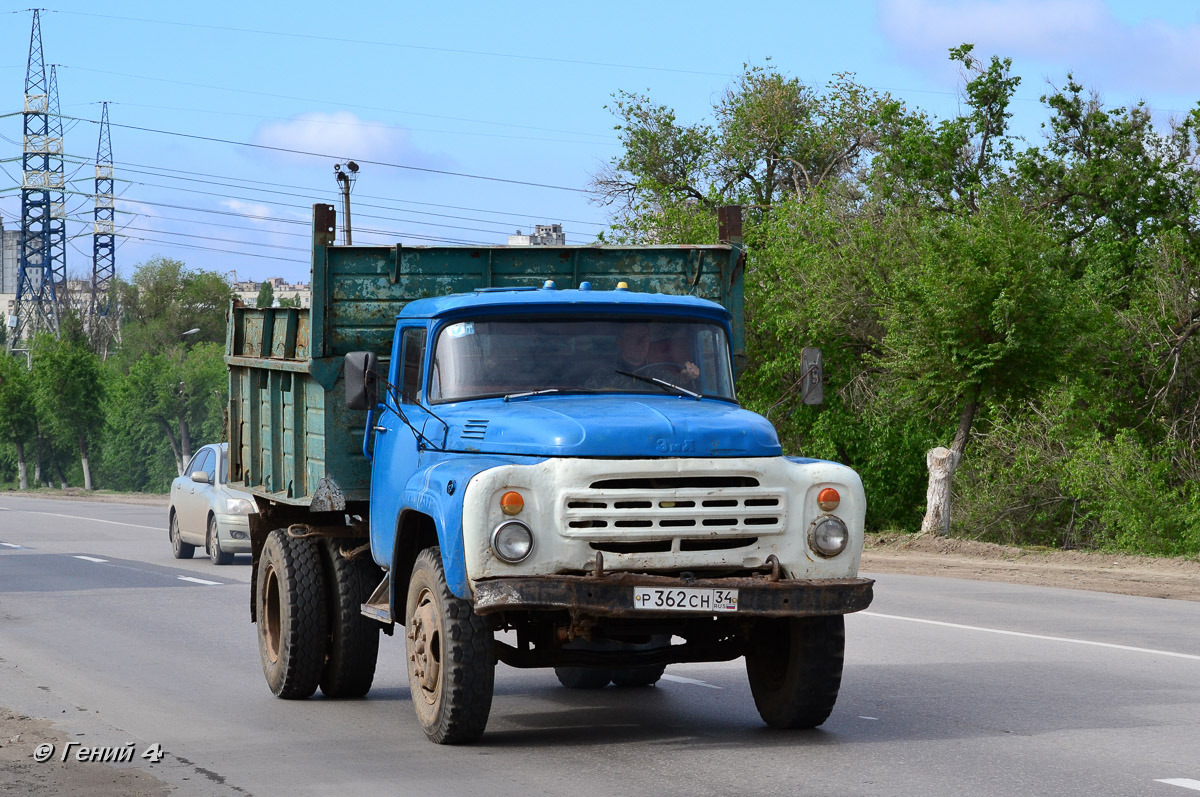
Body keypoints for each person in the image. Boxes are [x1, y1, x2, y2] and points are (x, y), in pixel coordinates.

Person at [583, 323, 699, 391]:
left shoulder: (658, 375)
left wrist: (687, 377)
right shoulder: (605, 374)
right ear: (620, 342)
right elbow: (588, 400)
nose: (641, 342)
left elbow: (679, 390)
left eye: (645, 337)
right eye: (634, 337)